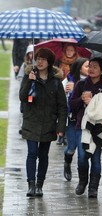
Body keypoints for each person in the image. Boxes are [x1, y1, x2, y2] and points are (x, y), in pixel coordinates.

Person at [19, 48, 67, 197]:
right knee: (32, 153)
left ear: (49, 62)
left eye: (43, 59)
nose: (39, 61)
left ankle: (40, 184)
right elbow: (22, 96)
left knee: (43, 155)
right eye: (38, 58)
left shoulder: (56, 82)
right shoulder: (29, 75)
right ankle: (31, 185)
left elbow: (62, 106)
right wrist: (30, 81)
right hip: (31, 121)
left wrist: (60, 127)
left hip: (48, 123)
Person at [69, 57, 102, 198]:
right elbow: (72, 105)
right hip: (82, 126)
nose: (91, 69)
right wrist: (82, 100)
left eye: (95, 67)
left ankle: (94, 187)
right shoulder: (81, 84)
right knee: (82, 156)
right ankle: (83, 181)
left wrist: (98, 97)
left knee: (96, 158)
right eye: (90, 66)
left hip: (99, 128)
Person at [62, 57, 89, 181]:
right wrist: (70, 92)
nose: (89, 69)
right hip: (72, 120)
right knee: (71, 148)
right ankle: (67, 162)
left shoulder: (92, 81)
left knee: (82, 152)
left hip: (86, 121)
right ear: (79, 68)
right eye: (87, 66)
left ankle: (82, 180)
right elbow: (61, 99)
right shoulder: (68, 81)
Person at [55, 43, 80, 145]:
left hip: (72, 90)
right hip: (61, 88)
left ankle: (66, 135)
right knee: (61, 112)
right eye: (67, 50)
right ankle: (60, 134)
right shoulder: (59, 61)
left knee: (69, 113)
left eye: (72, 50)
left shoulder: (78, 63)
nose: (69, 52)